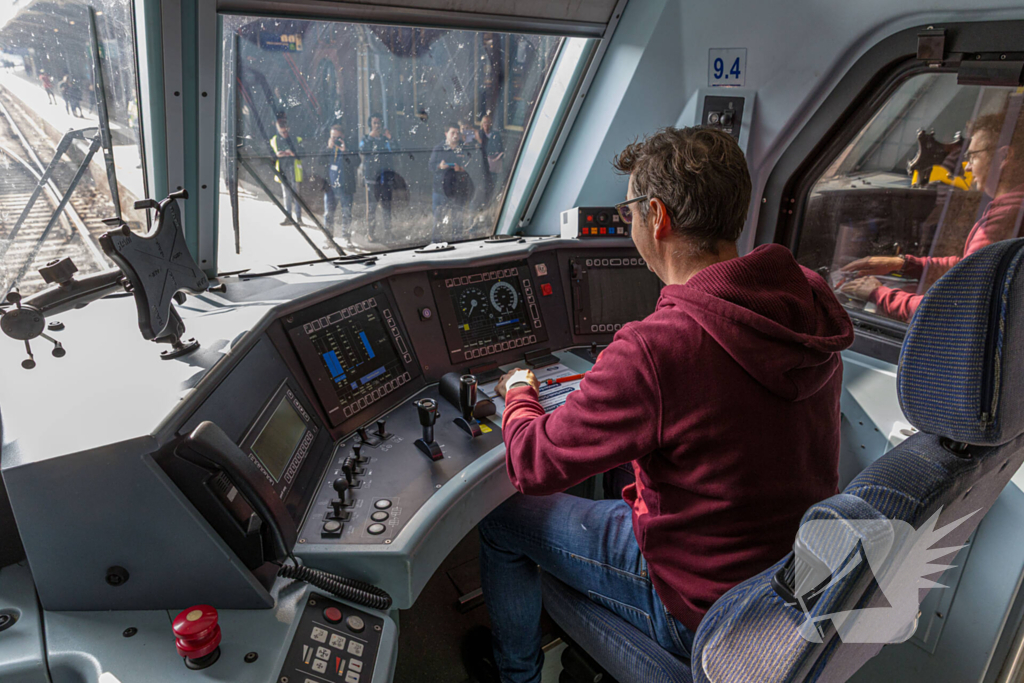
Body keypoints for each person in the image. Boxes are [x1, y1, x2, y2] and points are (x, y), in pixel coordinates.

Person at [477, 126, 854, 683]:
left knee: (502, 519)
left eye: (629, 212)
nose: (630, 226)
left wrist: (517, 391)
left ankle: (517, 677)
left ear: (657, 216)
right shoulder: (804, 297)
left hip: (694, 601)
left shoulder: (657, 348)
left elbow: (532, 463)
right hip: (781, 577)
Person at [840, 105, 1024, 321]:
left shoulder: (1006, 217)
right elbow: (968, 267)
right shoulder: (1013, 205)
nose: (966, 167)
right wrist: (905, 263)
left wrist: (878, 293)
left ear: (1004, 157)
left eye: (973, 156)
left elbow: (954, 307)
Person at [429, 122, 473, 242]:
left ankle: (458, 243)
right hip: (441, 190)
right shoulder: (439, 148)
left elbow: (471, 167)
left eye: (457, 133)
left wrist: (462, 170)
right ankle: (435, 244)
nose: (455, 135)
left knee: (458, 220)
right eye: (452, 132)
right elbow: (430, 166)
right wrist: (439, 166)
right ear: (446, 134)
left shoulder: (463, 148)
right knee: (439, 220)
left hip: (458, 190)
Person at [359, 113, 394, 243]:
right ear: (370, 125)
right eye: (374, 123)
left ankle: (388, 232)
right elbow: (362, 150)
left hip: (385, 179)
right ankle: (371, 233)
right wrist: (370, 137)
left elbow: (395, 151)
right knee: (372, 207)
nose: (377, 125)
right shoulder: (366, 138)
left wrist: (390, 139)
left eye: (379, 123)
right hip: (372, 179)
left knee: (387, 207)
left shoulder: (385, 140)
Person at [322, 123, 359, 242]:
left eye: (338, 137)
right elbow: (319, 161)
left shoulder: (349, 147)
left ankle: (346, 238)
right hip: (330, 187)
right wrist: (328, 148)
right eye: (333, 137)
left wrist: (345, 151)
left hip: (345, 187)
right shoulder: (328, 149)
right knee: (328, 214)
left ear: (342, 137)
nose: (335, 140)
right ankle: (329, 238)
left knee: (346, 214)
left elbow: (357, 162)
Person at [270, 113, 304, 226]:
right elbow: (270, 159)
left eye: (285, 132)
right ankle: (288, 216)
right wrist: (277, 155)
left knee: (296, 195)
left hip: (294, 171)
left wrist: (292, 153)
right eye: (281, 132)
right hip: (282, 170)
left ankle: (299, 218)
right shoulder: (274, 140)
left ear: (288, 129)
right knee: (286, 195)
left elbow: (302, 154)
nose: (284, 134)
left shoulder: (296, 139)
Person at [477, 113, 504, 204]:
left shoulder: (496, 134)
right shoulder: (479, 134)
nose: (486, 124)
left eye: (488, 122)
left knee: (492, 185)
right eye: (484, 122)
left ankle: (489, 202)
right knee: (482, 185)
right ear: (481, 124)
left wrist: (495, 156)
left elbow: (500, 149)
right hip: (482, 164)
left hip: (493, 163)